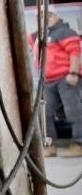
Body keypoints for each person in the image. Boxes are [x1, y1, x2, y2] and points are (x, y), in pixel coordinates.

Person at [34, 10, 82, 157]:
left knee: (73, 111)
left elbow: (75, 52)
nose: (45, 19)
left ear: (57, 16)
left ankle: (78, 144)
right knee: (45, 113)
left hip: (65, 78)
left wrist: (73, 73)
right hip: (48, 80)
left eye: (49, 15)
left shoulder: (65, 32)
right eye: (42, 16)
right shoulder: (39, 35)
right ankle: (50, 146)